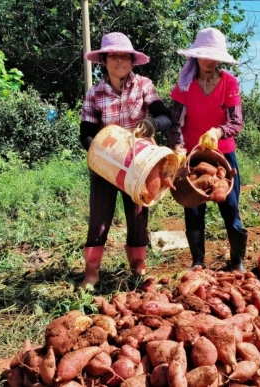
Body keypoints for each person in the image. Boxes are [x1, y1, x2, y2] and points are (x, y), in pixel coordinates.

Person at [79, 32, 172, 287]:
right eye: (114, 56)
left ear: (132, 61)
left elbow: (166, 117)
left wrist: (152, 124)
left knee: (138, 215)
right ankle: (92, 273)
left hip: (139, 165)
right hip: (106, 165)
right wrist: (101, 155)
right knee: (99, 218)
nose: (119, 61)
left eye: (125, 57)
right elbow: (86, 134)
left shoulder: (143, 86)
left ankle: (138, 268)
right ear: (104, 60)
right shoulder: (95, 93)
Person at [168, 27, 247, 273]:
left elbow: (236, 122)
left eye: (214, 56)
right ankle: (198, 262)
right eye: (205, 55)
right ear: (196, 56)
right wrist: (178, 147)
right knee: (192, 207)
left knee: (230, 205)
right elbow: (175, 122)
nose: (209, 61)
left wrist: (217, 131)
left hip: (223, 156)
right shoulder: (184, 85)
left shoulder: (229, 83)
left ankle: (237, 262)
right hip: (192, 156)